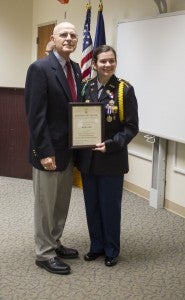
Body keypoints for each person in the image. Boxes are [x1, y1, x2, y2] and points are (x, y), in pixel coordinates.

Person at [25, 22, 82, 275]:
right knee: (45, 205)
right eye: (64, 35)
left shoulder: (77, 68)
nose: (69, 38)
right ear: (53, 39)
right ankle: (44, 253)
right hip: (49, 150)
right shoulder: (39, 68)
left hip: (69, 149)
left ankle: (54, 242)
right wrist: (45, 151)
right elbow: (35, 115)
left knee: (61, 202)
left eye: (73, 35)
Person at [76, 45, 139, 267]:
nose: (107, 65)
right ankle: (96, 246)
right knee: (91, 205)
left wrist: (110, 145)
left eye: (111, 60)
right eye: (103, 61)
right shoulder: (86, 87)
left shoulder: (124, 90)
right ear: (94, 64)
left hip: (111, 159)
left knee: (110, 206)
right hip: (88, 160)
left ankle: (112, 249)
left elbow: (131, 128)